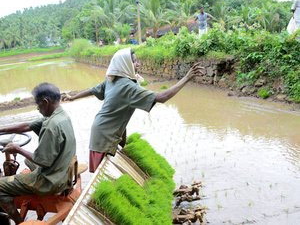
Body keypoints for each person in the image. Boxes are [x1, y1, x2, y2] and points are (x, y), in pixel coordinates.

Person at [63, 48, 204, 173]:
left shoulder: (112, 79)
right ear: (125, 65)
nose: (139, 64)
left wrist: (73, 97)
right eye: (135, 62)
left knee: (112, 168)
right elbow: (162, 97)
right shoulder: (127, 86)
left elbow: (92, 90)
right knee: (105, 174)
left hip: (102, 129)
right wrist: (187, 78)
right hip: (105, 135)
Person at [0, 83, 76, 224]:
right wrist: (2, 130)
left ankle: (18, 221)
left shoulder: (50, 126)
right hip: (63, 172)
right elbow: (27, 126)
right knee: (28, 161)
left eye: (38, 104)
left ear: (45, 102)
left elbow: (42, 161)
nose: (37, 108)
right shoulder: (60, 115)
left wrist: (17, 149)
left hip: (49, 182)